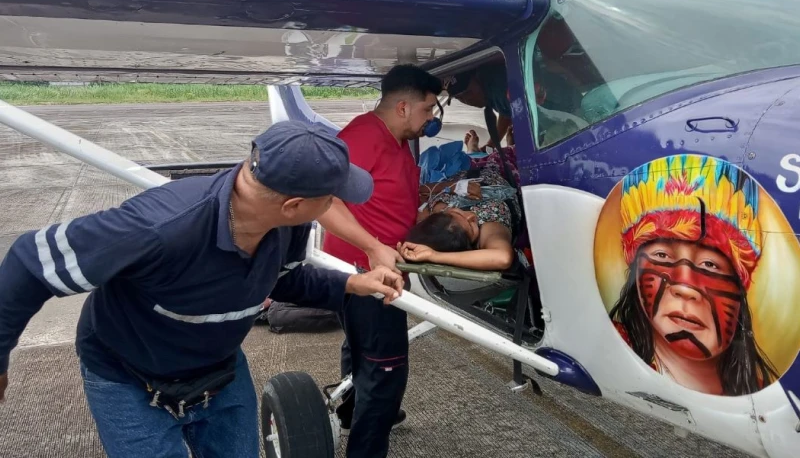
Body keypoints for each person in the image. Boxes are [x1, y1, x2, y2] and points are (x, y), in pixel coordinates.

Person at [0, 120, 405, 458]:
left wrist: (353, 283)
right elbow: (29, 264)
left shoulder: (287, 225)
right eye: (331, 197)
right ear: (293, 204)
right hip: (129, 379)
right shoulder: (161, 227)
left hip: (220, 372)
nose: (336, 204)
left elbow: (282, 279)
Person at [317, 64, 443, 458]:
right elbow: (323, 201)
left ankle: (356, 411)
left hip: (375, 263)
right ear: (403, 107)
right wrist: (373, 247)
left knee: (360, 348)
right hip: (365, 269)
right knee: (385, 368)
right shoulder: (362, 138)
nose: (431, 120)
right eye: (428, 110)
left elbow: (387, 194)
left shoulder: (396, 138)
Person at [608, 155, 778, 396]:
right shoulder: (607, 347)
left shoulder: (766, 393)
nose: (685, 287)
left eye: (710, 265)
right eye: (662, 256)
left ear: (740, 289)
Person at [400, 166, 520, 271]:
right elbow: (503, 258)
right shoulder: (492, 226)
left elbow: (419, 189)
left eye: (456, 212)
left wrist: (453, 186)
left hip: (463, 177)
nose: (471, 215)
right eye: (472, 226)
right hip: (496, 175)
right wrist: (434, 255)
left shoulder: (434, 210)